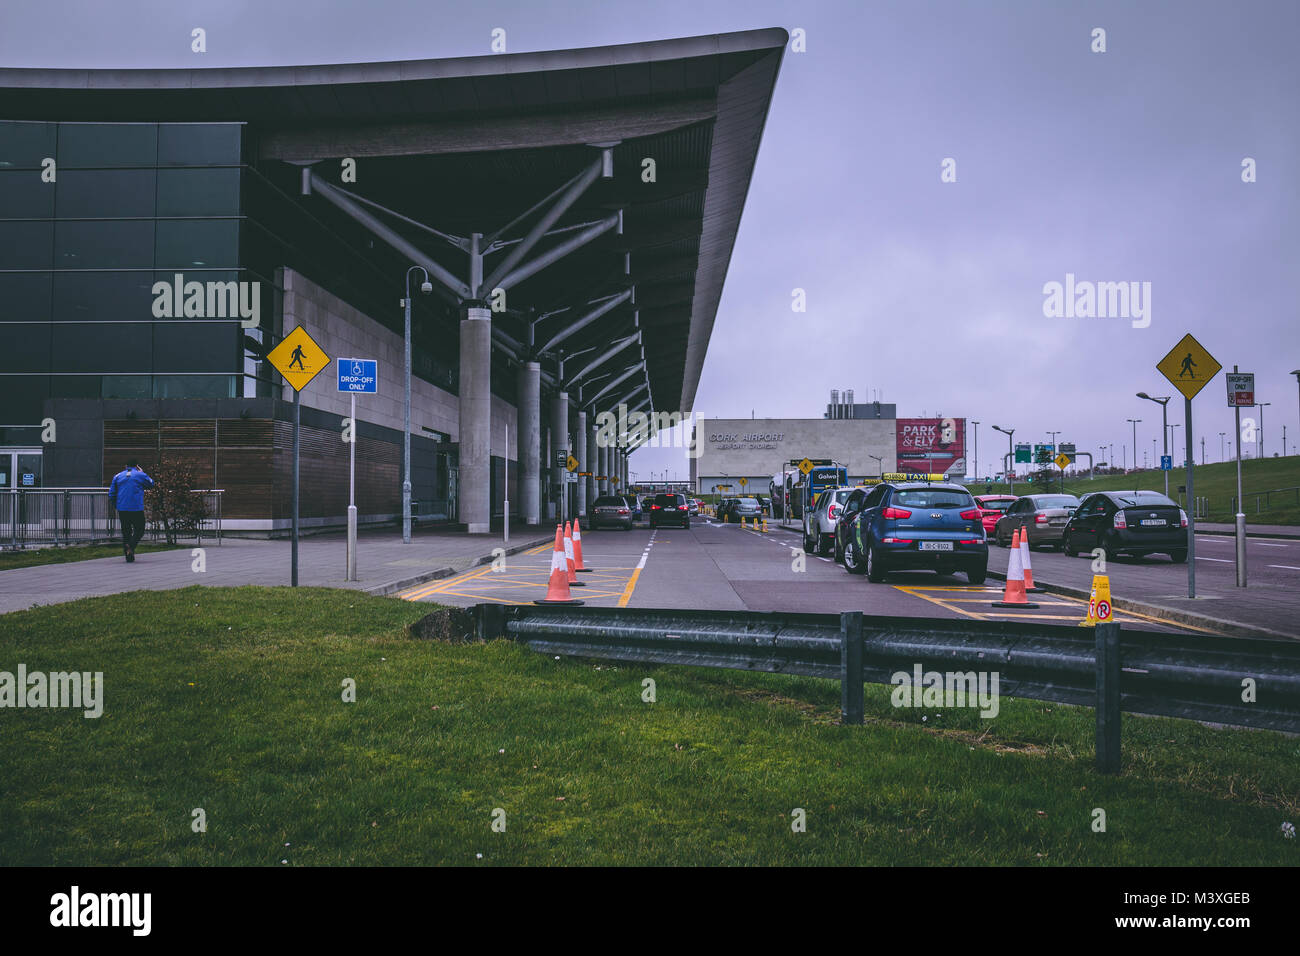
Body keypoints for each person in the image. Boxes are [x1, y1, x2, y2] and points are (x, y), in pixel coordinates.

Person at [108, 459, 154, 562]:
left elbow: (111, 494)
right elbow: (151, 484)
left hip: (122, 508)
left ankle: (128, 556)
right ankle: (131, 546)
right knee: (140, 529)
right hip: (136, 507)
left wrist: (117, 505)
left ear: (126, 465)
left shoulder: (117, 476)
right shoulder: (140, 475)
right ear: (136, 466)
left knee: (126, 532)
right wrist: (142, 472)